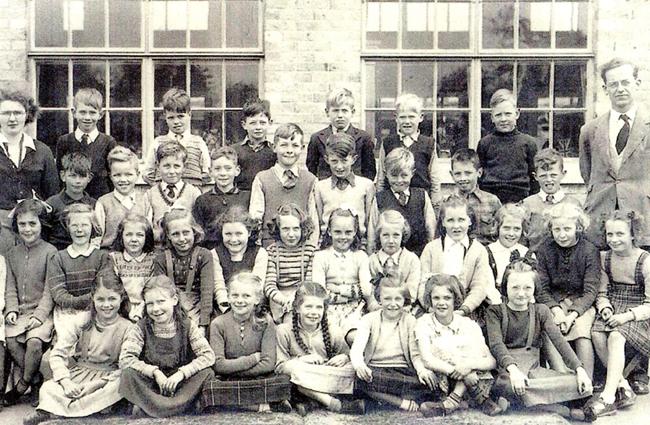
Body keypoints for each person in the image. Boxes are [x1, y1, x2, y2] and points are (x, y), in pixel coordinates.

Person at [580, 57, 650, 396]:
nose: (620, 89)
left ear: (636, 83)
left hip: (643, 220)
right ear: (604, 88)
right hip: (603, 220)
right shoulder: (591, 129)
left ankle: (641, 370)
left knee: (642, 291)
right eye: (613, 84)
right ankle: (611, 370)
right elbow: (587, 172)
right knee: (607, 290)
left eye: (626, 82)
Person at [486, 259, 594, 422]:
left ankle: (517, 401)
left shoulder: (541, 311)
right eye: (515, 287)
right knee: (510, 386)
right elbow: (496, 345)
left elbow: (559, 341)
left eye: (527, 288)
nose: (521, 293)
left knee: (578, 383)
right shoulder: (495, 312)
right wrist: (513, 370)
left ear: (535, 289)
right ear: (505, 287)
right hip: (506, 373)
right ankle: (565, 411)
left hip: (535, 374)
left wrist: (579, 369)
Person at [24, 272, 133, 425]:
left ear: (121, 299)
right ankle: (87, 411)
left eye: (112, 299)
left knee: (122, 383)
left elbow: (127, 365)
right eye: (100, 299)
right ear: (93, 298)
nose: (106, 305)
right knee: (49, 387)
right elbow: (57, 354)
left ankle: (61, 411)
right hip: (79, 376)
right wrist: (66, 382)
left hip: (107, 380)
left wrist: (95, 385)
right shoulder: (82, 320)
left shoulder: (128, 327)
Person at [119, 275, 215, 418]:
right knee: (128, 374)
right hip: (153, 384)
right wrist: (155, 372)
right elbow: (125, 359)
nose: (156, 308)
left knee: (207, 373)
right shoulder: (140, 327)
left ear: (174, 300)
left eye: (161, 301)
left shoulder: (187, 325)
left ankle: (151, 407)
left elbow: (208, 356)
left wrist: (181, 374)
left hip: (180, 384)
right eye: (150, 304)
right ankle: (180, 406)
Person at [416, 274, 506, 417]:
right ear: (430, 300)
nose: (441, 303)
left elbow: (491, 361)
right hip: (443, 379)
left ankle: (451, 403)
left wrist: (468, 367)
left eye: (447, 298)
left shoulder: (468, 325)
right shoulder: (424, 323)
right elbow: (427, 359)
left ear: (455, 300)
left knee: (474, 359)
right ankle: (481, 400)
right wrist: (461, 372)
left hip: (471, 377)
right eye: (436, 298)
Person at [588, 211, 650, 417]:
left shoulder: (645, 261)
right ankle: (623, 386)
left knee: (616, 336)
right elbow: (602, 292)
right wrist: (605, 307)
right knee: (596, 333)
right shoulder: (604, 258)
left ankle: (607, 397)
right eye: (610, 234)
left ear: (633, 234)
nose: (614, 240)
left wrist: (627, 316)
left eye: (620, 234)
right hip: (614, 307)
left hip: (640, 314)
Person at [201, 273, 292, 413]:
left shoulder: (266, 321)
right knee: (210, 389)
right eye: (235, 295)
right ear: (228, 297)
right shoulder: (218, 324)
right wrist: (253, 359)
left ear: (256, 299)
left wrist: (235, 369)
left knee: (283, 381)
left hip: (257, 378)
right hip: (228, 380)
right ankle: (262, 406)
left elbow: (268, 363)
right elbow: (218, 364)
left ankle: (240, 403)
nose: (240, 300)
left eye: (246, 296)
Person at [275, 281, 364, 416]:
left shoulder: (331, 330)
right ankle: (334, 404)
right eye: (308, 307)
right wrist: (302, 360)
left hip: (325, 375)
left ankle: (313, 401)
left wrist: (344, 357)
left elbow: (347, 353)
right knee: (294, 371)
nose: (314, 312)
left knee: (354, 368)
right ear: (297, 308)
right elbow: (280, 366)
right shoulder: (284, 330)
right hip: (300, 377)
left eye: (319, 307)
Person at [351, 278, 435, 412]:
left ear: (404, 300)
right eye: (387, 299)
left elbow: (415, 354)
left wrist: (421, 370)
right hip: (375, 371)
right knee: (358, 379)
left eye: (398, 299)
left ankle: (379, 399)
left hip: (402, 371)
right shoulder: (369, 319)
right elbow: (357, 348)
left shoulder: (410, 320)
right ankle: (398, 402)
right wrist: (360, 365)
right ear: (379, 299)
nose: (393, 304)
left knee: (429, 382)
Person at [3, 200, 57, 407]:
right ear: (16, 226)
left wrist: (39, 316)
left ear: (42, 224)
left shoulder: (50, 252)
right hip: (21, 313)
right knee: (12, 341)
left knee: (34, 343)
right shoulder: (11, 254)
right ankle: (36, 380)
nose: (27, 229)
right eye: (23, 224)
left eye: (32, 223)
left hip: (43, 312)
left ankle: (23, 384)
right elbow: (10, 288)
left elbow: (49, 290)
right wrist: (12, 310)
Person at [535, 203, 598, 378]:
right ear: (551, 229)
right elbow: (541, 288)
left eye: (567, 229)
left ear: (578, 227)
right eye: (557, 229)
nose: (562, 235)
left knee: (582, 330)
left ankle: (587, 383)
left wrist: (572, 315)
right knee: (549, 327)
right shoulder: (545, 249)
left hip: (581, 304)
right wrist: (556, 310)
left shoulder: (589, 250)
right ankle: (561, 380)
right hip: (554, 302)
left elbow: (590, 291)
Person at [420, 195, 496, 317]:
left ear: (470, 221)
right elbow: (423, 283)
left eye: (461, 220)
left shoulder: (478, 250)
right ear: (443, 222)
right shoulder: (431, 249)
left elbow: (479, 286)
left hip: (467, 309)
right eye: (450, 220)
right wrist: (430, 308)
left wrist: (464, 309)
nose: (456, 226)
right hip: (434, 308)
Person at [47, 203, 110, 342]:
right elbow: (59, 295)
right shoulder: (58, 258)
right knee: (65, 350)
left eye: (84, 225)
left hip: (95, 311)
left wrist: (90, 304)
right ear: (68, 227)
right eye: (74, 225)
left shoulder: (102, 257)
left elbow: (103, 289)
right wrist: (81, 303)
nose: (79, 230)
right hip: (66, 314)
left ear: (92, 227)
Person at [249, 123, 318, 246]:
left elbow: (313, 220)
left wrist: (311, 248)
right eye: (284, 145)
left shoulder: (310, 180)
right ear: (275, 147)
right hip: (270, 247)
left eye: (295, 145)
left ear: (302, 148)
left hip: (301, 248)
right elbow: (255, 218)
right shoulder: (262, 179)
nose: (289, 150)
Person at [0, 89, 58, 226]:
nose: (12, 119)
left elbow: (52, 194)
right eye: (6, 113)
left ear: (27, 115)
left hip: (32, 228)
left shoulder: (42, 151)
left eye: (18, 113)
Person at [312, 208, 379, 328]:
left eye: (348, 232)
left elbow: (367, 290)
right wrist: (353, 293)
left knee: (355, 332)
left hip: (356, 310)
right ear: (329, 231)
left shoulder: (360, 256)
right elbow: (319, 292)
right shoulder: (320, 257)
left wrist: (338, 289)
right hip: (328, 310)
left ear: (355, 232)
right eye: (337, 232)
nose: (343, 237)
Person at [152, 208, 215, 331]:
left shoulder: (204, 255)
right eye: (175, 234)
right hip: (171, 308)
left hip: (199, 309)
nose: (181, 239)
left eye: (186, 232)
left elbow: (207, 293)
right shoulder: (161, 259)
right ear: (168, 236)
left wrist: (203, 325)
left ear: (194, 232)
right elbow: (160, 292)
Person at [375, 93, 441, 209]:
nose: (407, 121)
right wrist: (380, 201)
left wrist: (435, 206)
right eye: (402, 117)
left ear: (420, 117)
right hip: (392, 201)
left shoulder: (429, 144)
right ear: (396, 118)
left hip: (420, 202)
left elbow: (434, 179)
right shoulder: (388, 143)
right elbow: (381, 177)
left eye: (411, 117)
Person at [367, 147, 436, 256]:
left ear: (412, 173)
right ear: (386, 174)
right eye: (394, 176)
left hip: (418, 258)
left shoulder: (422, 196)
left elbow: (431, 232)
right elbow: (372, 237)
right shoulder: (380, 199)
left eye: (404, 175)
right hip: (388, 260)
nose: (399, 180)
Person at [54, 88, 119, 199]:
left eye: (92, 113)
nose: (87, 118)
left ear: (100, 114)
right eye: (82, 112)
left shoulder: (108, 142)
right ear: (74, 113)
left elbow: (112, 178)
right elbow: (60, 176)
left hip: (99, 202)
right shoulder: (64, 141)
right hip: (70, 203)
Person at [477, 88, 539, 204]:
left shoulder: (528, 143)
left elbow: (534, 179)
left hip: (520, 200)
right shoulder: (484, 143)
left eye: (508, 114)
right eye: (498, 115)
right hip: (490, 200)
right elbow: (479, 177)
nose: (503, 119)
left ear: (517, 114)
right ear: (492, 117)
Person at [143, 88, 211, 187]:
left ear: (189, 114)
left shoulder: (199, 143)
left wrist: (192, 187)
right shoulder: (158, 143)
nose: (176, 122)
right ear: (165, 117)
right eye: (171, 117)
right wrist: (160, 188)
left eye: (180, 116)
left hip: (191, 198)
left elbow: (206, 173)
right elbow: (147, 174)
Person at [314, 133, 375, 242]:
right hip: (329, 244)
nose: (339, 166)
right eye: (334, 161)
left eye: (344, 161)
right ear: (327, 159)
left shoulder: (367, 185)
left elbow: (369, 222)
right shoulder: (320, 187)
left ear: (354, 159)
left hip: (359, 244)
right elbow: (319, 221)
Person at [307, 87, 376, 180]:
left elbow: (369, 171)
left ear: (352, 112)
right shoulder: (317, 138)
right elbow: (311, 169)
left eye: (344, 110)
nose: (340, 115)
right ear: (327, 112)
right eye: (335, 110)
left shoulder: (364, 138)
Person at [264, 204, 316, 324]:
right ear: (278, 229)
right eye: (286, 229)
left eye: (296, 229)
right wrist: (283, 300)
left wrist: (295, 298)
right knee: (288, 322)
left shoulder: (310, 250)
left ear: (303, 228)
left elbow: (309, 283)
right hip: (279, 298)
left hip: (302, 295)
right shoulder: (272, 251)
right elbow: (269, 285)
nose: (291, 234)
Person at [522, 148, 581, 252]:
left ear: (563, 174)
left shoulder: (573, 204)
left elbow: (580, 237)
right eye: (543, 176)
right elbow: (522, 240)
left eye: (553, 175)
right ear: (535, 177)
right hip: (536, 261)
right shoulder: (527, 205)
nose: (549, 180)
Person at [192, 146, 251, 250]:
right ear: (210, 172)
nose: (223, 173)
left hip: (241, 250)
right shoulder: (203, 200)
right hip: (212, 251)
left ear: (237, 170)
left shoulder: (247, 197)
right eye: (217, 169)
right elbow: (199, 233)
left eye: (228, 168)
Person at [212, 206, 268, 314]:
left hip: (252, 307)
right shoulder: (215, 254)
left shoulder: (260, 254)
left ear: (249, 232)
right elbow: (219, 287)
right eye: (228, 234)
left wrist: (244, 310)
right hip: (225, 308)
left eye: (239, 234)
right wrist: (227, 309)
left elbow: (257, 286)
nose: (233, 239)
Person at [95, 146, 152, 249]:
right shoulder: (103, 203)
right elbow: (97, 239)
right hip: (110, 256)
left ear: (137, 174)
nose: (123, 180)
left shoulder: (145, 201)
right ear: (110, 176)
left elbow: (149, 236)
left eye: (128, 174)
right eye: (117, 175)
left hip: (139, 258)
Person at [145, 140, 201, 245]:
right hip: (159, 249)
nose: (171, 171)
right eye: (166, 166)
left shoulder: (194, 193)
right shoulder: (150, 195)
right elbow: (147, 229)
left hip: (186, 247)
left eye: (176, 166)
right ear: (158, 166)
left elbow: (198, 226)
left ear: (184, 167)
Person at [449, 148, 502, 244]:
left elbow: (501, 234)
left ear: (479, 172)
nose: (463, 178)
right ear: (451, 175)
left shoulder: (492, 201)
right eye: (458, 174)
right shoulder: (447, 202)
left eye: (468, 173)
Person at [368, 210, 421, 305]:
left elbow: (412, 294)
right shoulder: (372, 261)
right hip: (377, 310)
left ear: (403, 235)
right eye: (385, 235)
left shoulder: (411, 260)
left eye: (396, 235)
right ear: (379, 235)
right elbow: (369, 293)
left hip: (404, 308)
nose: (391, 241)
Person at [109, 214, 156, 322]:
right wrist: (128, 311)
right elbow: (115, 289)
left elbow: (152, 289)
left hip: (147, 309)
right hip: (120, 310)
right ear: (121, 237)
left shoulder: (153, 259)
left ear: (146, 237)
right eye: (129, 234)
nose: (134, 239)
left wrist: (140, 312)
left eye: (139, 235)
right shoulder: (114, 259)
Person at [45, 152, 96, 250]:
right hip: (57, 256)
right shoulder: (51, 204)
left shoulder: (94, 205)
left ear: (89, 178)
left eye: (82, 176)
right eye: (72, 176)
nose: (77, 181)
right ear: (63, 176)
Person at [486, 203, 533, 289]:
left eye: (516, 229)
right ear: (497, 228)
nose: (511, 233)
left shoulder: (527, 254)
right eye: (506, 228)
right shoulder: (487, 252)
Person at [232, 99, 276, 191]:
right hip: (241, 200)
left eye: (262, 123)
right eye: (253, 123)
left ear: (270, 123)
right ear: (244, 125)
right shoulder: (234, 151)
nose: (258, 127)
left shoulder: (274, 151)